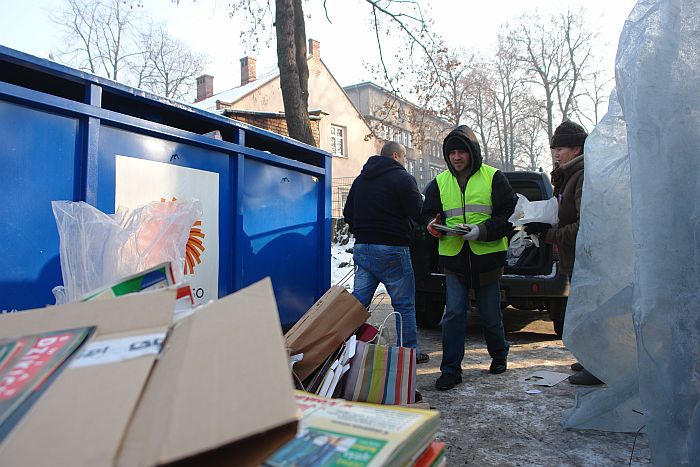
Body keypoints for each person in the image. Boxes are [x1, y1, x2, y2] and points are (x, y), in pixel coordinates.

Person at [422, 125, 517, 390]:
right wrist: (432, 223)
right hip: (454, 260)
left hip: (487, 259)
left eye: (461, 151)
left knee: (489, 315)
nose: (456, 157)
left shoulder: (494, 177)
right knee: (453, 314)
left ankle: (499, 355)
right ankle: (451, 370)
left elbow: (510, 215)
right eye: (451, 152)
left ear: (472, 152)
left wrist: (482, 231)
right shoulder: (440, 182)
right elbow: (427, 212)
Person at [524, 120, 602, 386]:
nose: (555, 153)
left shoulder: (583, 176)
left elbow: (586, 225)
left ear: (577, 149)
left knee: (591, 312)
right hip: (574, 259)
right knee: (583, 310)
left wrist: (549, 235)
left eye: (561, 147)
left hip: (587, 259)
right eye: (553, 148)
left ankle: (598, 365)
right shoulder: (567, 176)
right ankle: (590, 358)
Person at [343, 141, 429, 364]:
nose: (405, 163)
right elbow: (418, 213)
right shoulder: (402, 178)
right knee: (403, 305)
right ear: (395, 156)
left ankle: (345, 349)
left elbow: (347, 212)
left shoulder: (361, 180)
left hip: (363, 248)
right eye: (404, 158)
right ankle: (409, 354)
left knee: (358, 304)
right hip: (392, 250)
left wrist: (362, 232)